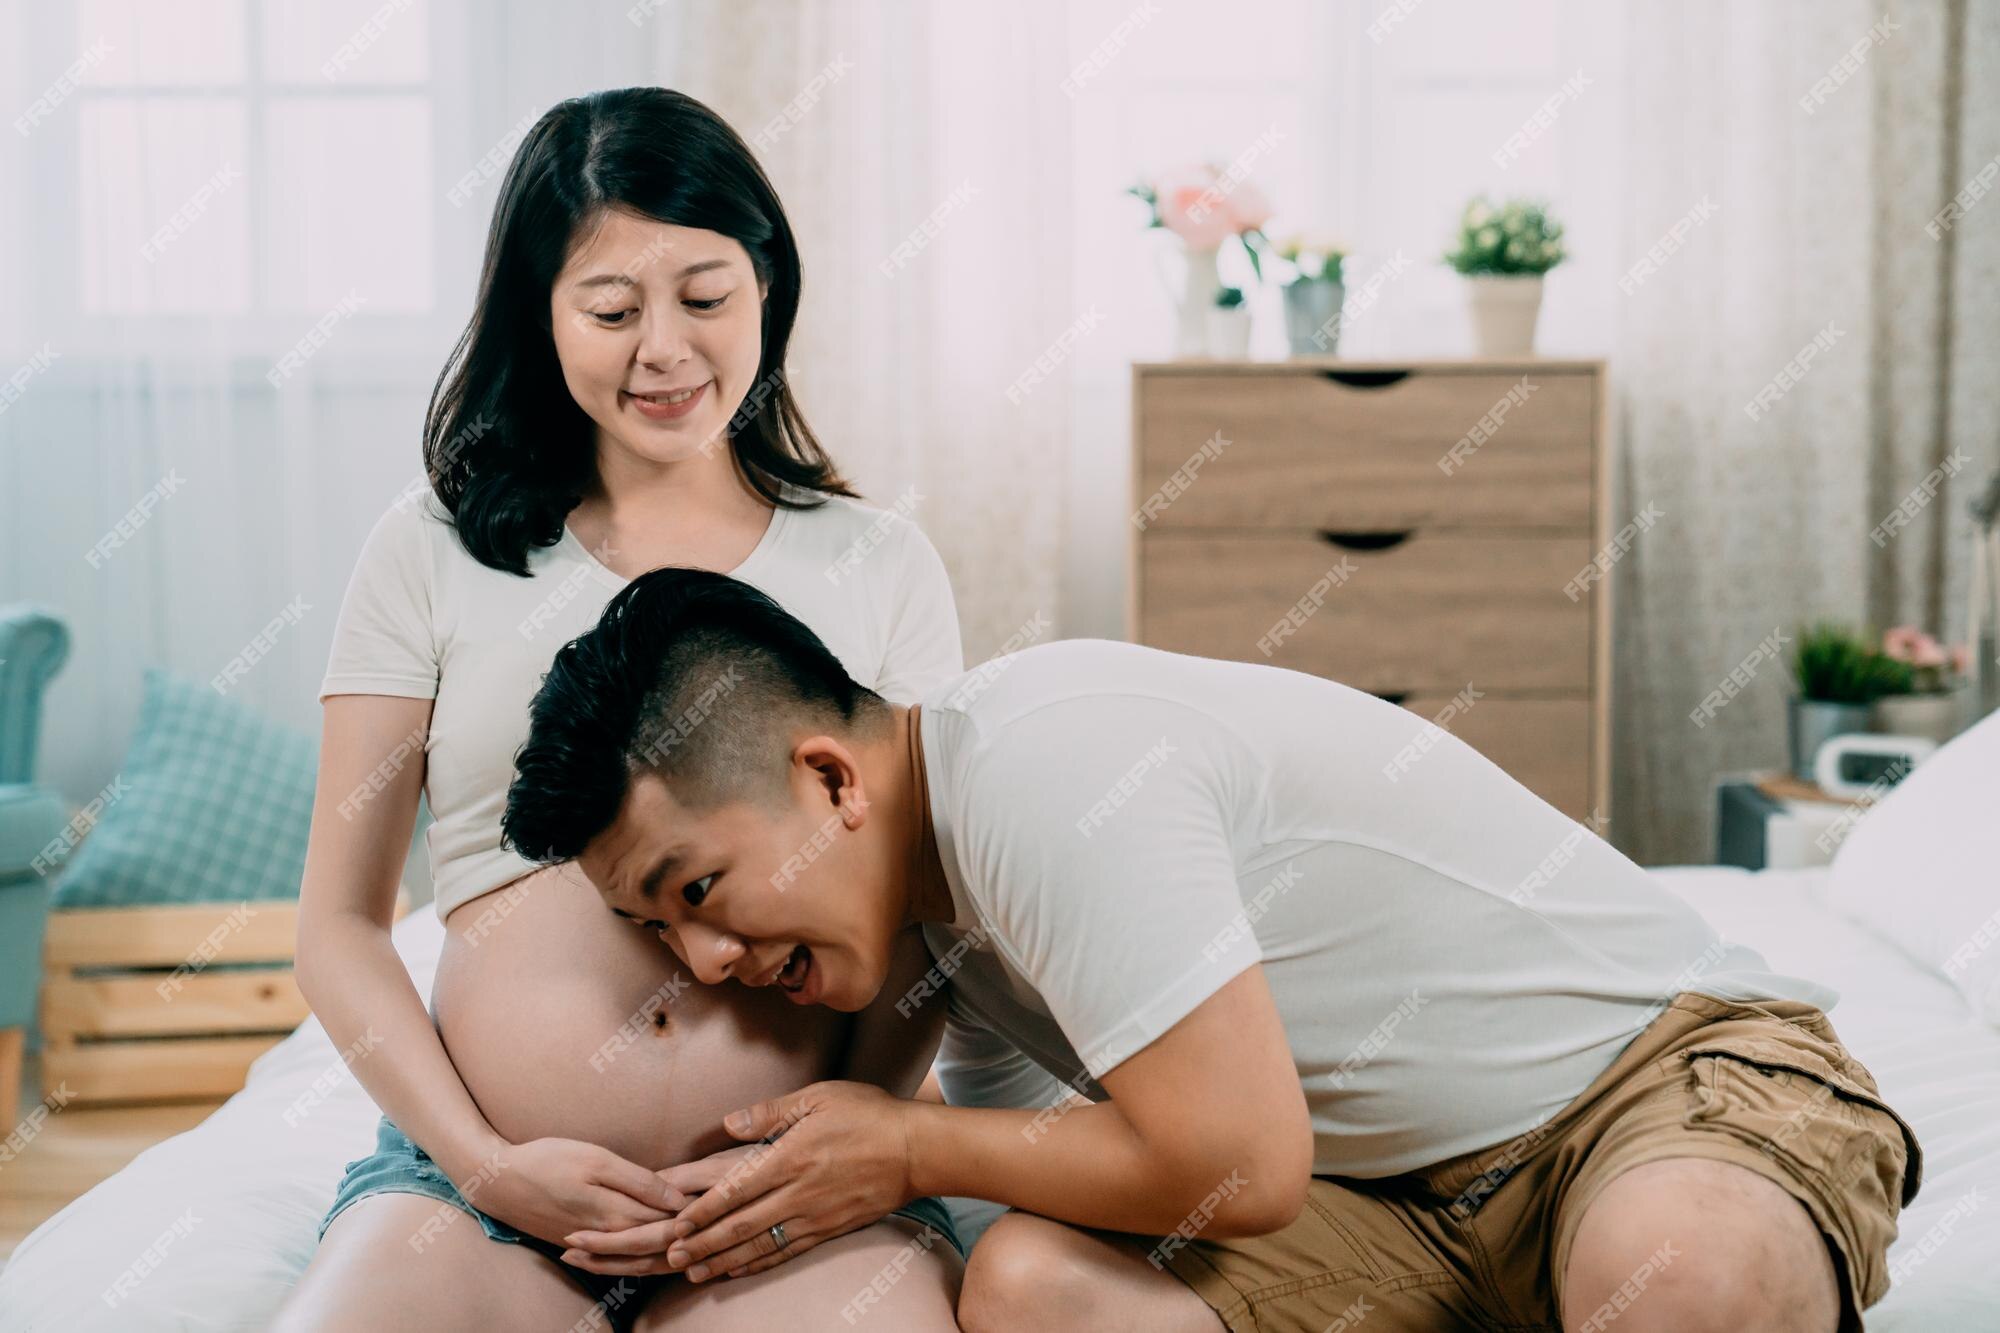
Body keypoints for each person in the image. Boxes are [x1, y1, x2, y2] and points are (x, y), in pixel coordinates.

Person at [499, 566, 1923, 1333]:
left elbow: (1240, 1159)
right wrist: (787, 1187)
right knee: (1032, 1289)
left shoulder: (1046, 769)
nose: (703, 956)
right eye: (653, 927)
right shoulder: (943, 919)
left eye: (698, 886)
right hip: (1397, 1204)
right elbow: (1071, 1161)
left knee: (1681, 1278)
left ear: (827, 778)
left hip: (1646, 1091)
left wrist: (906, 1143)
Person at [276, 89, 965, 1332]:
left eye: (706, 297)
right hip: (485, 1192)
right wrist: (486, 1164)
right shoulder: (429, 550)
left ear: (768, 287)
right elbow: (337, 924)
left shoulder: (878, 562)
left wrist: (826, 1151)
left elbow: (924, 920)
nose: (665, 349)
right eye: (610, 309)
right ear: (540, 316)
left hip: (785, 1200)